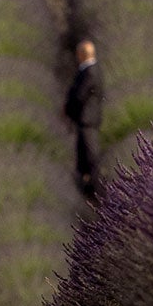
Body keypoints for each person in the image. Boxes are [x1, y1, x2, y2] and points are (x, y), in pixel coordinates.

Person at [64, 38, 104, 202]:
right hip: (87, 121)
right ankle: (87, 192)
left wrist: (69, 110)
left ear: (81, 54)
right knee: (84, 158)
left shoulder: (90, 72)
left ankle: (97, 195)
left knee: (90, 158)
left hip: (87, 121)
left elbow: (80, 96)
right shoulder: (92, 70)